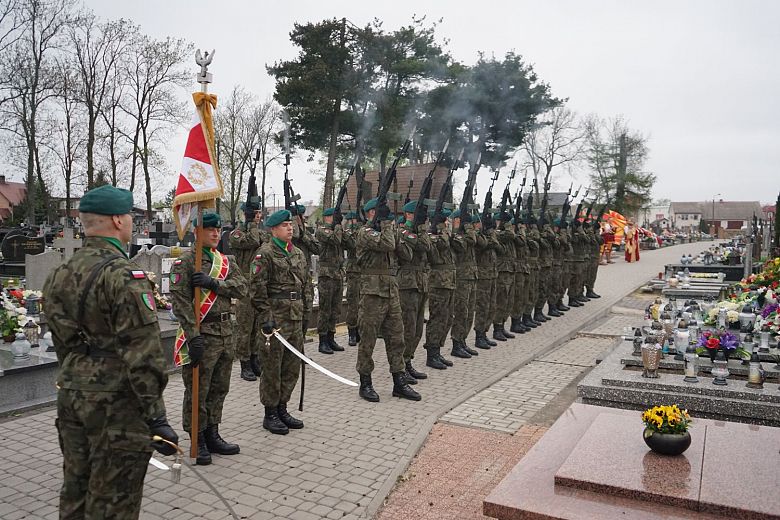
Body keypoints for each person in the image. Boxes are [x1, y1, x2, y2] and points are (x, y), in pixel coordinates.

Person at [44, 185, 178, 519]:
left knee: (75, 488)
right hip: (116, 403)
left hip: (73, 393)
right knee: (115, 498)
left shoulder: (59, 274)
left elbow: (63, 342)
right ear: (118, 220)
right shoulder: (123, 275)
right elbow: (143, 354)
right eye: (130, 215)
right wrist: (156, 416)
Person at [170, 211, 246, 465]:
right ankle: (197, 437)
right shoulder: (186, 262)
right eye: (210, 229)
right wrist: (193, 337)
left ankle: (213, 433)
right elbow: (180, 303)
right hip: (202, 335)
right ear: (197, 232)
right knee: (197, 391)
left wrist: (213, 283)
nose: (215, 234)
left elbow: (242, 288)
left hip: (225, 334)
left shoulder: (226, 261)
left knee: (219, 389)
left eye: (218, 230)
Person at [355, 198, 420, 402]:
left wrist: (395, 231)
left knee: (396, 339)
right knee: (368, 340)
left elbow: (407, 255)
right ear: (371, 213)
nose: (387, 219)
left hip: (392, 292)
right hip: (372, 294)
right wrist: (385, 226)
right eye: (381, 214)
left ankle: (399, 381)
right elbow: (387, 244)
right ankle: (365, 382)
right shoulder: (365, 233)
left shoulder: (388, 232)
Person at [250, 209, 309, 435]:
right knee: (272, 368)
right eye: (285, 225)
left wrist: (304, 314)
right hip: (276, 320)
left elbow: (306, 285)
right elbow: (256, 289)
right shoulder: (264, 253)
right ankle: (270, 413)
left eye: (290, 224)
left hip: (295, 317)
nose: (290, 228)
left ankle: (283, 408)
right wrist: (266, 317)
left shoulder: (298, 253)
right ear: (273, 229)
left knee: (291, 367)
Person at [229, 205, 267, 381]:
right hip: (244, 285)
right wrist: (251, 224)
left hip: (258, 284)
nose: (258, 216)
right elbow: (252, 241)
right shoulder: (236, 234)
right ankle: (244, 363)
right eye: (255, 213)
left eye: (259, 213)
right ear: (247, 215)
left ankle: (254, 359)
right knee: (245, 327)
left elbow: (264, 244)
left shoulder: (261, 232)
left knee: (257, 326)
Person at [397, 200, 432, 383]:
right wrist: (415, 228)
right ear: (408, 214)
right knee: (407, 328)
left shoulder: (417, 231)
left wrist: (420, 228)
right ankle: (400, 366)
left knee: (418, 328)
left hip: (420, 284)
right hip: (407, 285)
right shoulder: (401, 231)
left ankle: (408, 361)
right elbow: (421, 246)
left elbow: (427, 245)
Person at [315, 207, 345, 354]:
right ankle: (322, 341)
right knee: (325, 309)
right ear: (327, 218)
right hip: (326, 274)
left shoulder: (336, 229)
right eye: (333, 218)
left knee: (335, 309)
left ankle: (331, 337)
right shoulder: (322, 230)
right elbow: (335, 239)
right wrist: (338, 226)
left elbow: (348, 243)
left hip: (338, 273)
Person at [450, 209, 479, 357]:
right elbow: (470, 241)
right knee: (461, 312)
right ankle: (456, 343)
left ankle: (463, 341)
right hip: (461, 278)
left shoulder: (466, 235)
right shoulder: (456, 236)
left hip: (471, 277)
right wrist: (466, 228)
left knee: (468, 312)